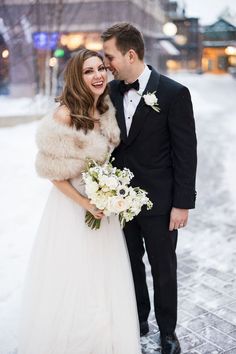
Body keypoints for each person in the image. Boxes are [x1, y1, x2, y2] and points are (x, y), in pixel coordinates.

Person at [18, 49, 142, 354]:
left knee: (103, 277)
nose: (98, 74)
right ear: (77, 76)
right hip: (71, 209)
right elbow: (53, 174)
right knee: (74, 277)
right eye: (89, 71)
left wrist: (111, 194)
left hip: (103, 210)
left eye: (101, 68)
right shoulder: (64, 114)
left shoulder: (105, 110)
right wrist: (86, 204)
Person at [102, 23, 197, 354]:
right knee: (130, 264)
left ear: (130, 54)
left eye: (110, 56)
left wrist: (182, 204)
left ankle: (168, 331)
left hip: (160, 204)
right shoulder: (110, 93)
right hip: (119, 202)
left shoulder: (173, 93)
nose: (107, 64)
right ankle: (138, 319)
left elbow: (185, 154)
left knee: (163, 269)